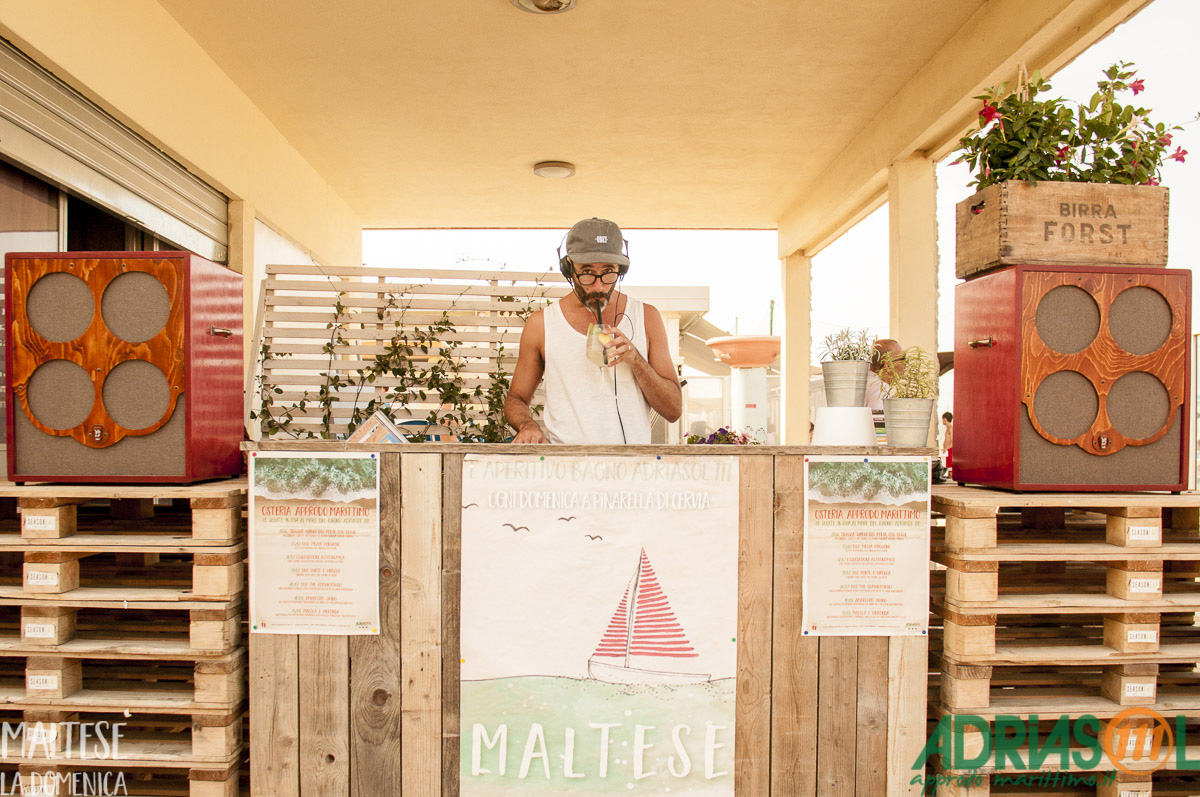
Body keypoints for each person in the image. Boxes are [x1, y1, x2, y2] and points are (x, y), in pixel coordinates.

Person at [505, 218, 682, 444]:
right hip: (565, 464)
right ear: (569, 268)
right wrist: (528, 425)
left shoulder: (647, 317)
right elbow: (516, 399)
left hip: (632, 465)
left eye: (608, 272)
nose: (599, 287)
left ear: (621, 269)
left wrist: (637, 361)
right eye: (587, 272)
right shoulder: (541, 324)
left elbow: (673, 410)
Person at [864, 338, 903, 411]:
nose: (906, 363)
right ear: (888, 365)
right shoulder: (881, 389)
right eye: (902, 359)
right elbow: (879, 418)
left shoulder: (862, 383)